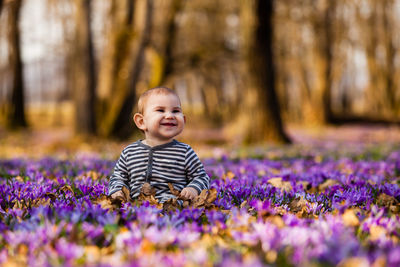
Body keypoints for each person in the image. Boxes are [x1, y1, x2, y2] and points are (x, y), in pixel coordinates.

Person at [108, 87, 210, 203]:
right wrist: (117, 191)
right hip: (136, 208)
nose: (170, 116)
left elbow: (201, 177)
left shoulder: (185, 152)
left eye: (176, 111)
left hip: (173, 209)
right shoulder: (129, 152)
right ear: (141, 122)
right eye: (161, 110)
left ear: (184, 120)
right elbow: (118, 178)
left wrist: (193, 188)